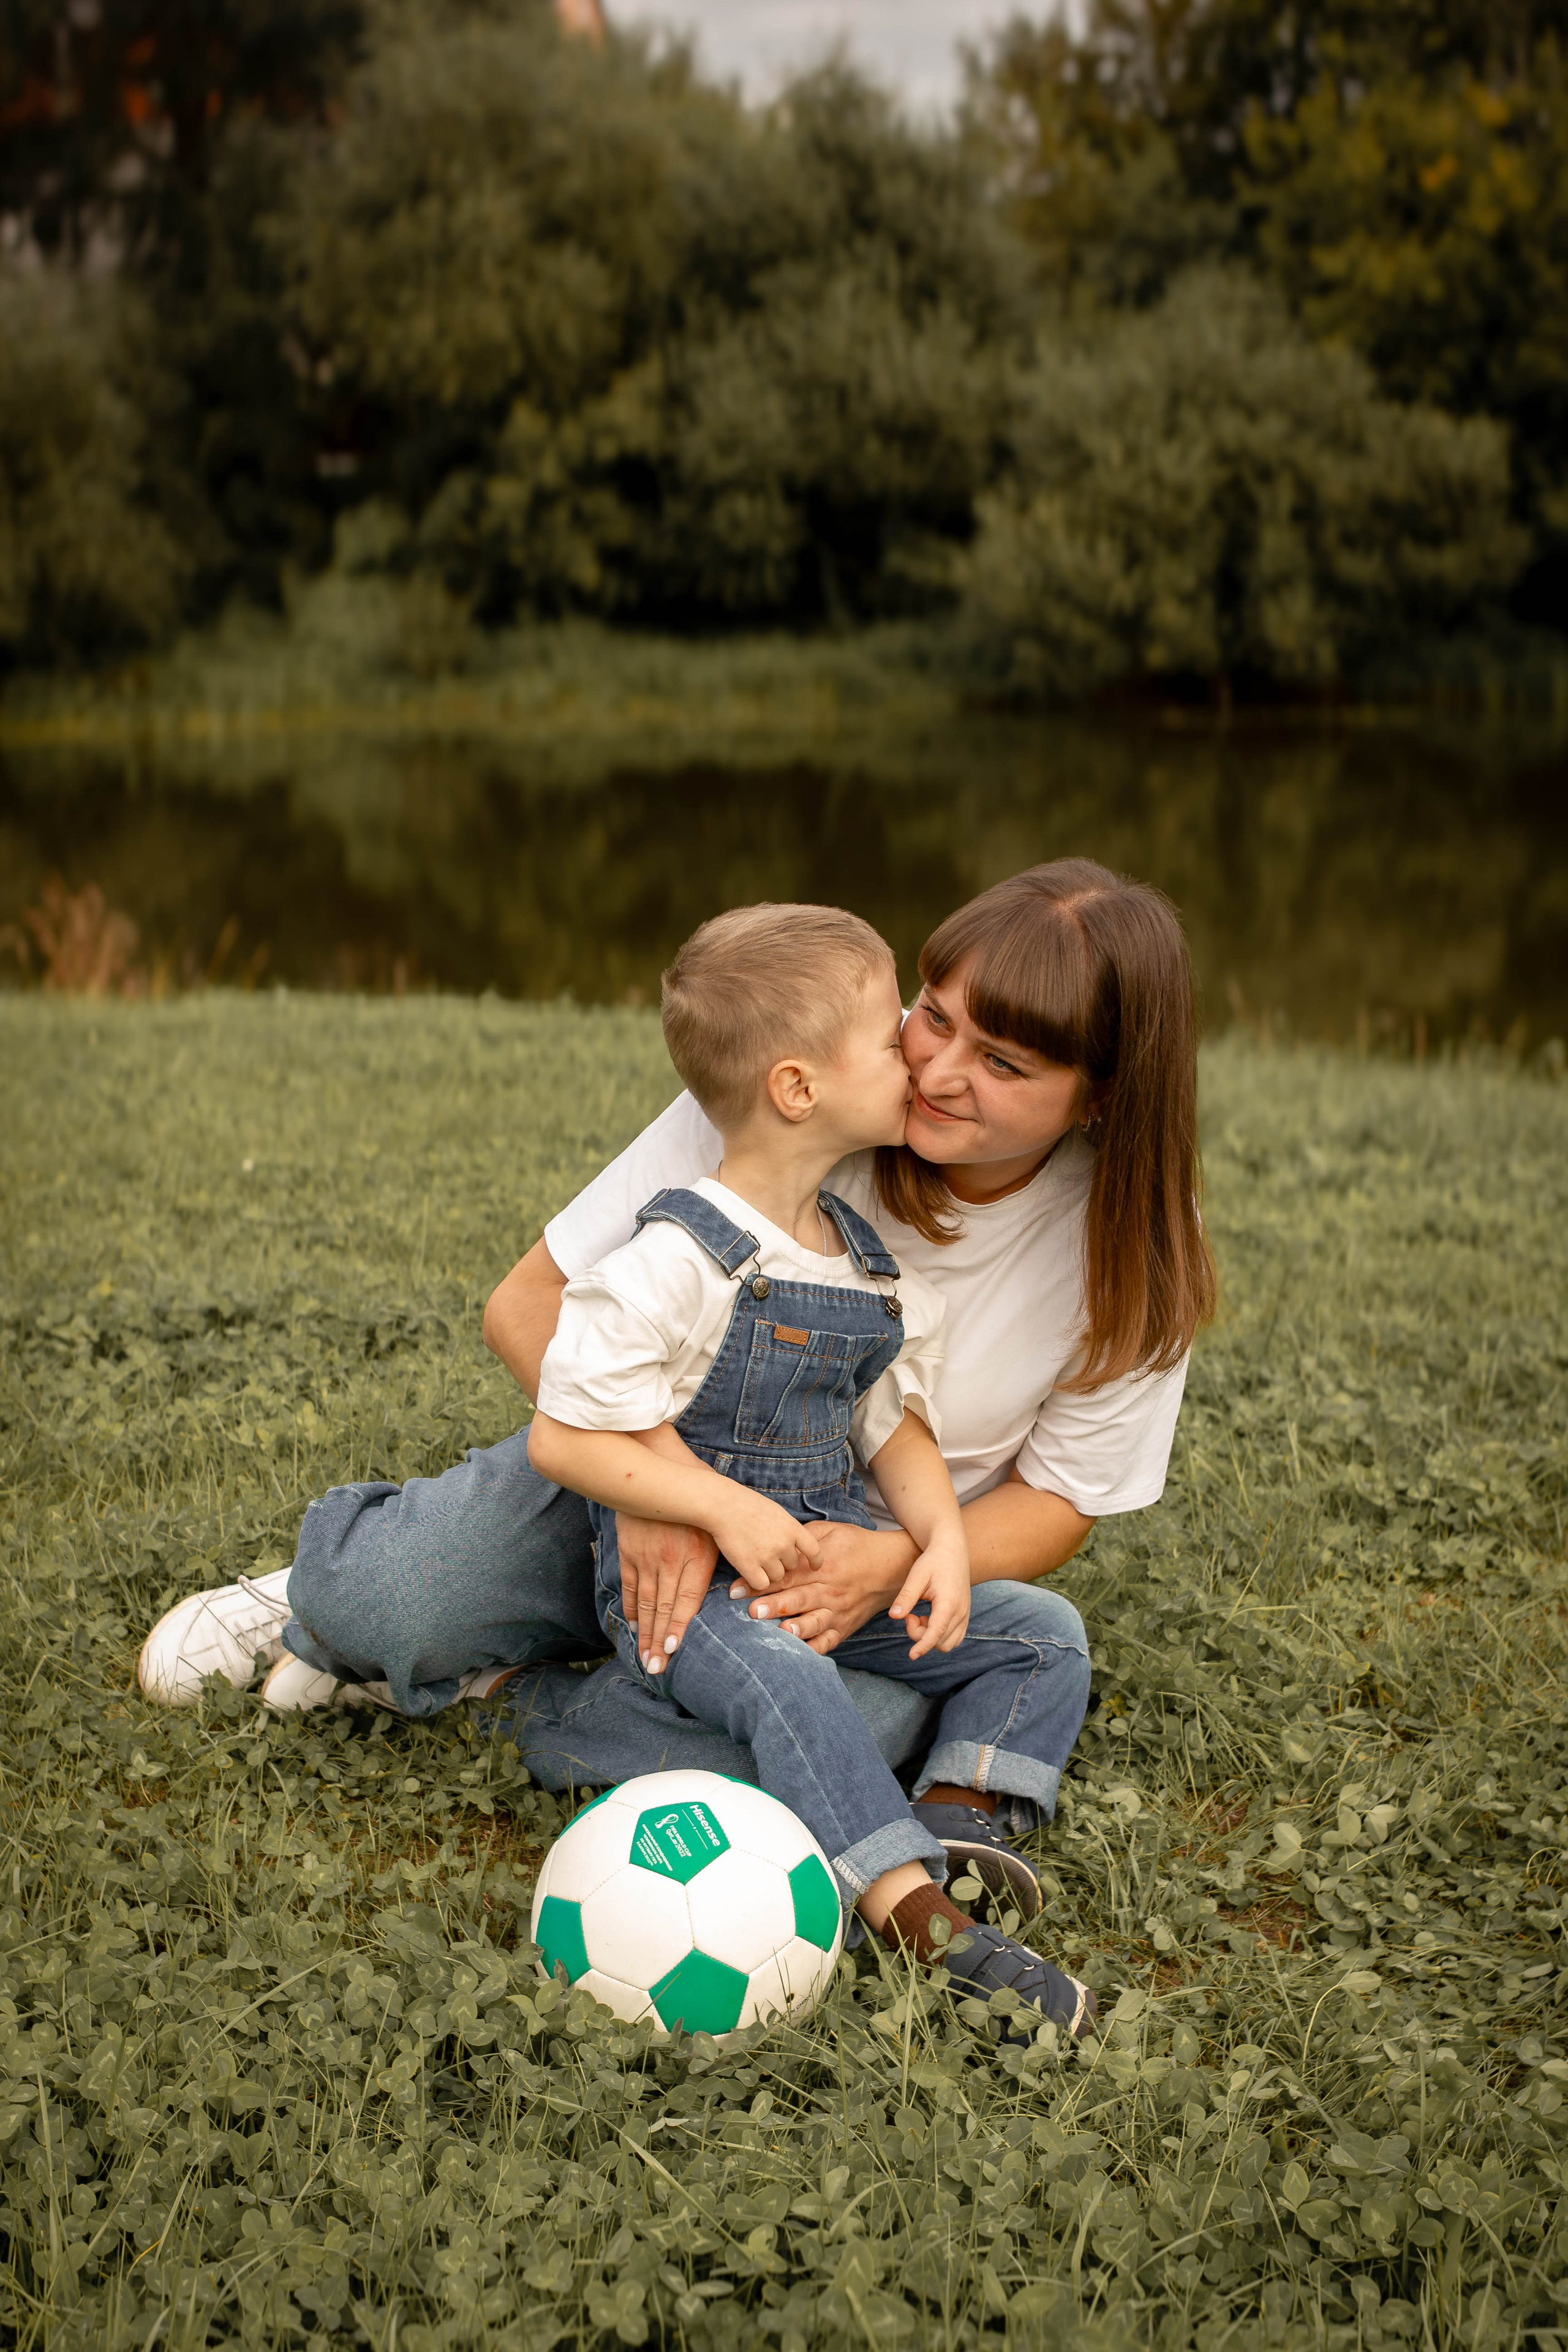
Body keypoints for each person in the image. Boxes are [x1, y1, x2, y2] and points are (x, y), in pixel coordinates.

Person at [137, 859, 1213, 1914]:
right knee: (389, 1601)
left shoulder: (1129, 1259)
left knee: (864, 1733)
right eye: (935, 1016)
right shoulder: (803, 1095)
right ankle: (320, 1599)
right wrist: (668, 1495)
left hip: (819, 1582)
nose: (935, 1072)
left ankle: (506, 1691)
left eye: (1004, 1064)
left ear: (1100, 1097)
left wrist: (891, 1558)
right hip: (619, 1493)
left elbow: (1060, 1502)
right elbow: (527, 1308)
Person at [524, 903, 1095, 2030]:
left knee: (1042, 1632)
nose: (920, 1057)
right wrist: (712, 1505)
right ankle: (920, 1918)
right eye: (895, 1037)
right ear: (798, 1089)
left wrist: (932, 1545)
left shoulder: (865, 1262)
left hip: (820, 1568)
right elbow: (565, 1434)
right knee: (796, 1689)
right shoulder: (675, 1258)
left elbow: (893, 1430)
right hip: (697, 1591)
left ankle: (957, 1811)